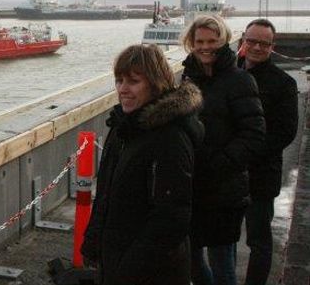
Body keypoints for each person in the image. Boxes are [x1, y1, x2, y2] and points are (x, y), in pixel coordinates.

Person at [81, 44, 204, 285]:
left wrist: (128, 271)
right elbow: (105, 194)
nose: (122, 89)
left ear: (156, 83)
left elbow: (171, 218)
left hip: (151, 272)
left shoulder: (170, 137)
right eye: (119, 80)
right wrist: (93, 241)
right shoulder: (122, 129)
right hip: (117, 259)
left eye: (133, 81)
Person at [181, 15, 266, 285]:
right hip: (191, 189)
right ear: (191, 44)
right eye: (200, 41)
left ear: (224, 41)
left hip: (225, 191)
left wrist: (218, 165)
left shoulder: (240, 81)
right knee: (191, 265)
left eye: (212, 41)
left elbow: (254, 135)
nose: (206, 47)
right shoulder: (187, 80)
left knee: (223, 268)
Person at [238, 19, 298, 285]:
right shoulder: (229, 73)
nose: (257, 47)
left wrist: (246, 152)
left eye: (264, 43)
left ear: (272, 47)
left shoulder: (283, 83)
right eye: (252, 41)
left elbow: (285, 133)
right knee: (221, 237)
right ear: (243, 40)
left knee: (259, 241)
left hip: (261, 175)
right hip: (227, 173)